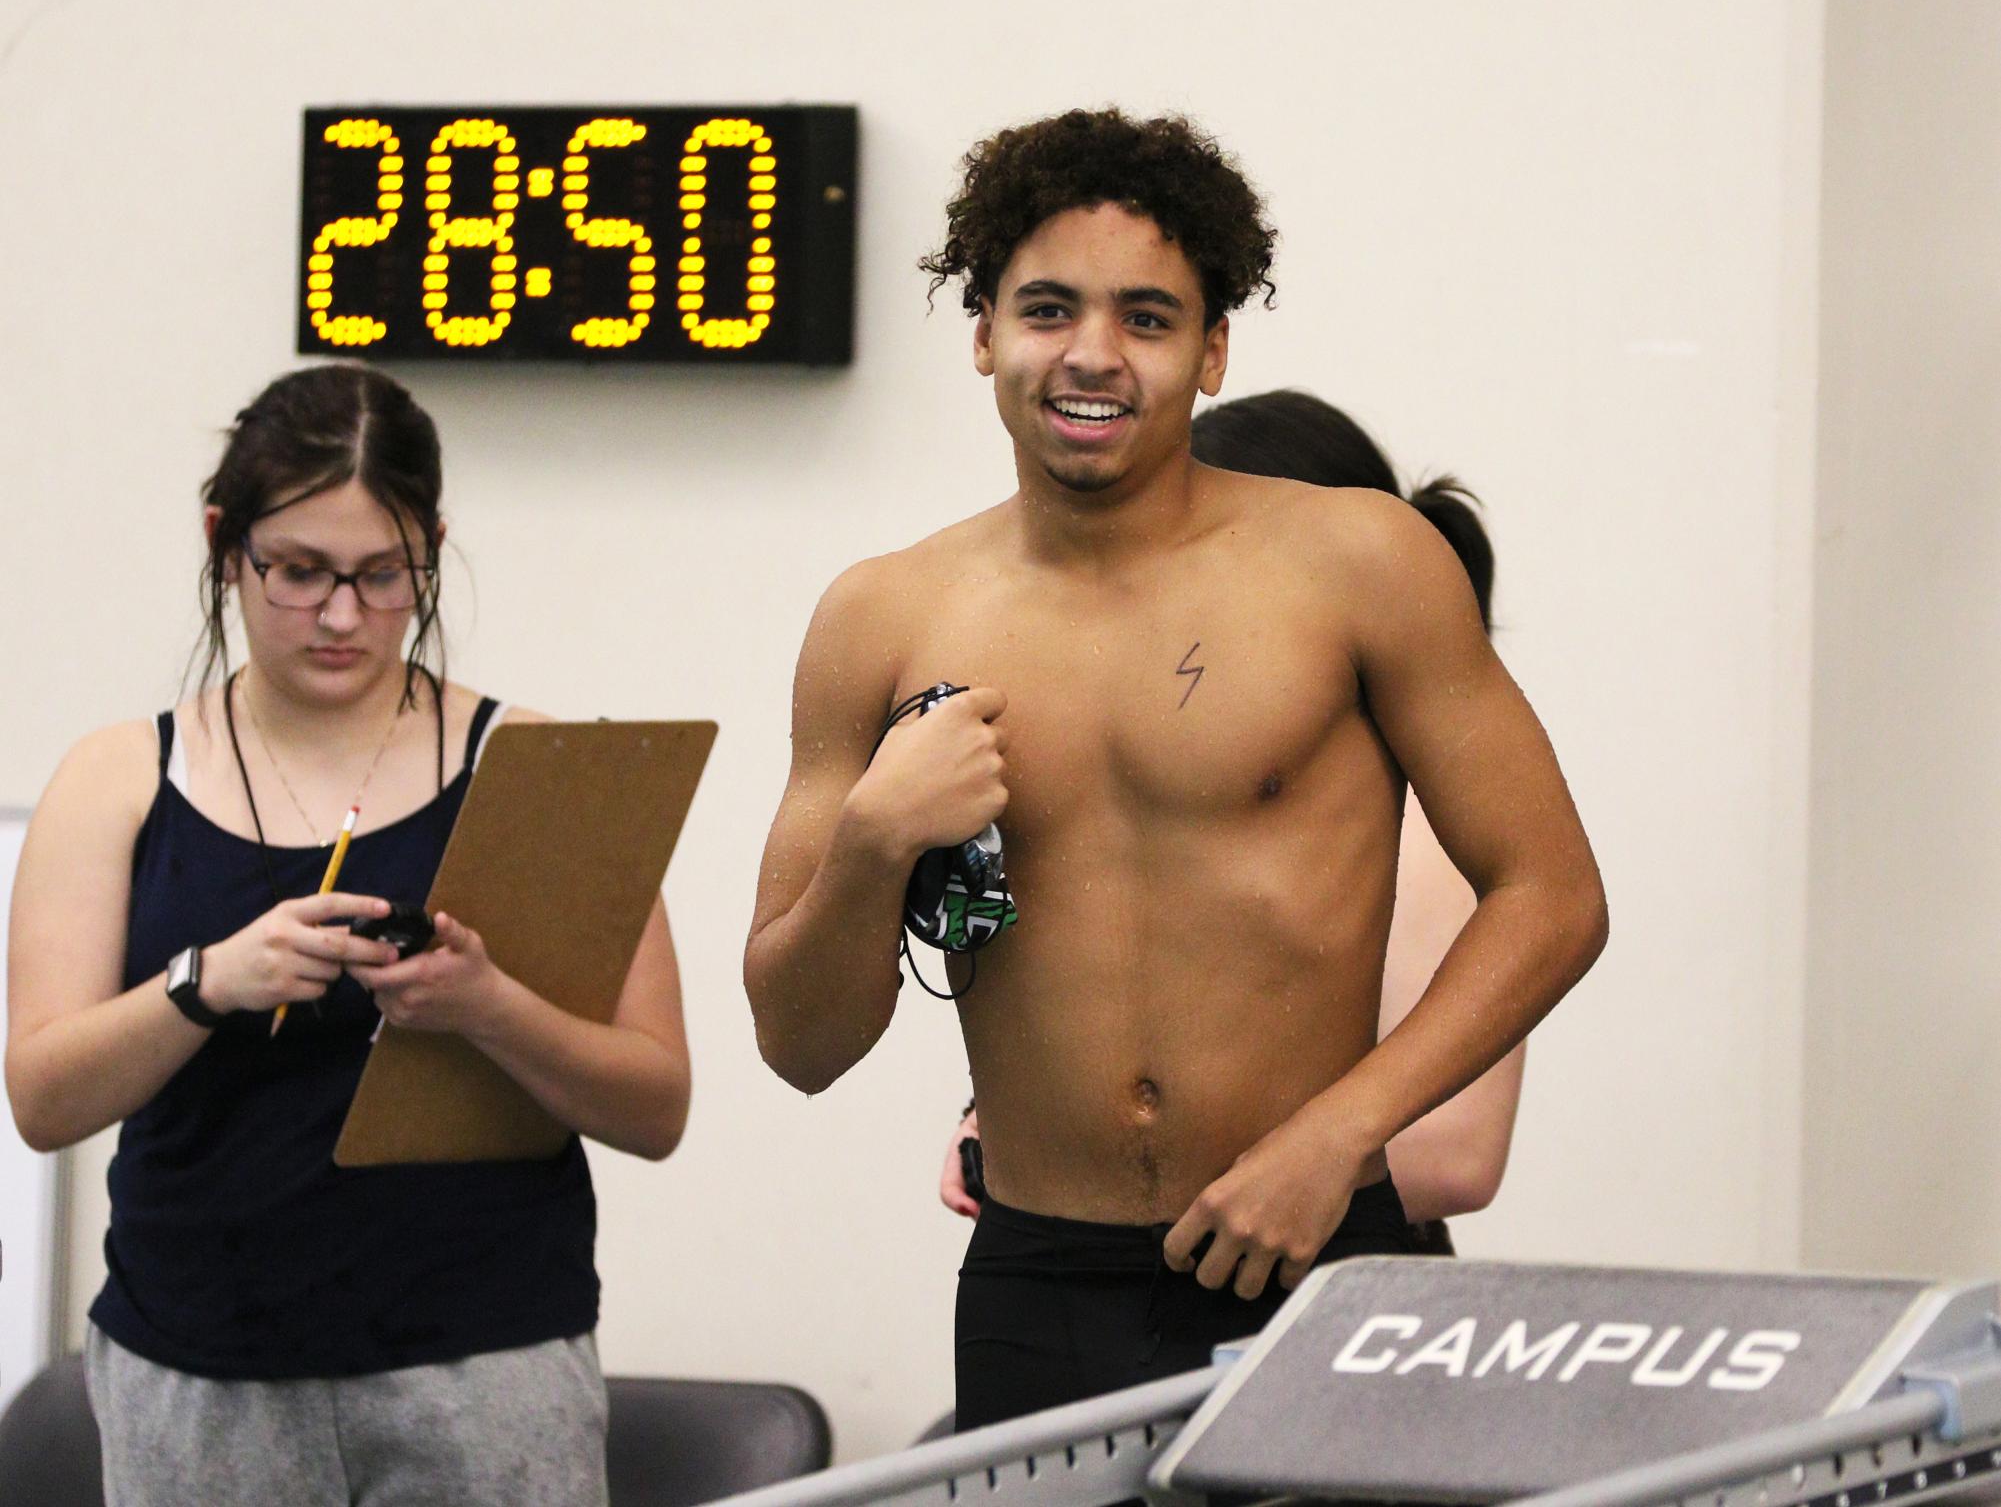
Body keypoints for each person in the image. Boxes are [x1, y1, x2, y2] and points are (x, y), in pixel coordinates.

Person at [743, 108, 1607, 1431]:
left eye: (1147, 318)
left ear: (1211, 351)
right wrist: (872, 841)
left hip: (1316, 1245)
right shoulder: (880, 616)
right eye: (1046, 309)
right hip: (1041, 1277)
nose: (1092, 355)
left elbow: (1552, 897)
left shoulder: (1358, 563)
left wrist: (1340, 1133)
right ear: (982, 333)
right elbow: (799, 1047)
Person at [5, 364, 691, 1507]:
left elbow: (655, 1104)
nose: (340, 615)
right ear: (225, 544)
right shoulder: (119, 777)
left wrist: (487, 1005)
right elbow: (43, 1096)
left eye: (384, 576)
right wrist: (207, 981)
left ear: (432, 547)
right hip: (199, 1367)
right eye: (300, 573)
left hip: (484, 1361)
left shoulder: (536, 768)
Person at [939, 391, 1527, 1252]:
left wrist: (1202, 1165)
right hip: (1100, 1274)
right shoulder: (1160, 801)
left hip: (1321, 1285)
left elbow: (1457, 1153)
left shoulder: (1430, 823)